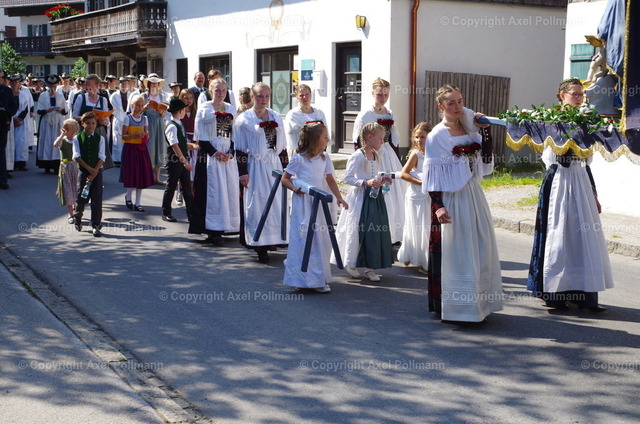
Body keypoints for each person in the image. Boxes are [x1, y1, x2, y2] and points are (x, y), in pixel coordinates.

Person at [527, 78, 614, 313]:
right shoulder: (550, 121)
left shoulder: (588, 122)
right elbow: (549, 157)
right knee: (559, 236)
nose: (579, 98)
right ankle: (555, 293)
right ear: (562, 96)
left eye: (581, 94)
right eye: (575, 94)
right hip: (559, 180)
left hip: (581, 181)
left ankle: (585, 295)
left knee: (583, 238)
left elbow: (587, 163)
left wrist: (594, 195)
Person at [421, 84, 502, 322]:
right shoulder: (437, 136)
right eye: (451, 103)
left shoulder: (469, 128)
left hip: (473, 194)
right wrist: (438, 206)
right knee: (457, 251)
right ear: (441, 107)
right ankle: (457, 307)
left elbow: (484, 157)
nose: (457, 107)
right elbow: (432, 176)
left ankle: (479, 304)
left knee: (479, 246)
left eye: (460, 101)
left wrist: (485, 131)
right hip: (452, 197)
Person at [281, 122, 348, 293]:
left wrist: (339, 197)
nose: (328, 140)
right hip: (304, 203)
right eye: (325, 137)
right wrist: (294, 188)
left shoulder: (325, 158)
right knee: (304, 238)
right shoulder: (299, 159)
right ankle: (301, 278)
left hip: (320, 203)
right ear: (315, 140)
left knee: (321, 239)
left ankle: (319, 278)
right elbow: (285, 178)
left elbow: (330, 180)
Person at [332, 122, 393, 282]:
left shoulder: (376, 154)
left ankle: (370, 267)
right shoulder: (358, 156)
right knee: (358, 230)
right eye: (380, 138)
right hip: (360, 198)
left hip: (374, 198)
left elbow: (374, 174)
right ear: (370, 137)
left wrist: (383, 179)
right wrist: (365, 182)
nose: (382, 142)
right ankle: (351, 262)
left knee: (374, 231)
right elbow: (347, 178)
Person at [234, 82, 288, 263]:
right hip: (255, 166)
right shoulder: (244, 119)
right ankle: (260, 245)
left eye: (266, 96)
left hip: (274, 165)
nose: (263, 100)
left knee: (276, 203)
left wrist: (287, 170)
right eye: (259, 96)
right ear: (252, 97)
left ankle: (274, 240)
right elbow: (240, 149)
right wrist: (243, 173)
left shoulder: (276, 116)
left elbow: (282, 148)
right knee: (258, 204)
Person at [352, 77, 406, 243]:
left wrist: (397, 157)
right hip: (373, 155)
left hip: (388, 154)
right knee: (378, 190)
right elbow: (358, 140)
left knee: (395, 192)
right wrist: (364, 159)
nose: (383, 98)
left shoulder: (389, 113)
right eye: (379, 94)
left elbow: (394, 137)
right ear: (373, 94)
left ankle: (395, 232)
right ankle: (377, 230)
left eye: (386, 94)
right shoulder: (366, 114)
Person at [189, 78, 239, 244]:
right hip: (209, 157)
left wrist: (230, 152)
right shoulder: (204, 109)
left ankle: (227, 226)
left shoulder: (230, 109)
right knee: (213, 193)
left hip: (227, 159)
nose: (220, 93)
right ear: (211, 91)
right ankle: (212, 230)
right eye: (217, 90)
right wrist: (215, 152)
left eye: (223, 90)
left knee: (227, 191)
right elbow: (201, 135)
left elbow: (234, 134)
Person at [398, 122, 432, 272]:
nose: (419, 140)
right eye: (417, 137)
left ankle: (422, 257)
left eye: (422, 137)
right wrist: (420, 182)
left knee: (426, 226)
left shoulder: (434, 153)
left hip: (428, 195)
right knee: (415, 224)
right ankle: (412, 254)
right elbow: (403, 174)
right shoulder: (416, 154)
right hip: (416, 194)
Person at [162, 98, 195, 222]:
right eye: (184, 110)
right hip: (174, 160)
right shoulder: (172, 126)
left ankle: (191, 214)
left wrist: (192, 146)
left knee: (187, 187)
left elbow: (181, 143)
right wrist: (184, 162)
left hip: (182, 159)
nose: (185, 111)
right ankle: (166, 212)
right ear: (180, 111)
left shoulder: (179, 124)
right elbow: (175, 146)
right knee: (171, 186)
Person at [72, 112, 106, 237]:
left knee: (97, 199)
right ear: (82, 124)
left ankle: (96, 225)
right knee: (81, 197)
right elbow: (77, 156)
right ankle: (78, 217)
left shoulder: (100, 138)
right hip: (84, 171)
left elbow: (102, 156)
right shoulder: (77, 138)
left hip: (97, 172)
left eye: (93, 123)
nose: (90, 125)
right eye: (88, 123)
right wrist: (89, 169)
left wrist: (95, 171)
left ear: (96, 124)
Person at [72, 74, 114, 169]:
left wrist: (104, 121)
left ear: (97, 86)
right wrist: (86, 118)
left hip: (98, 131)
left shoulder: (103, 100)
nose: (87, 87)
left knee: (98, 156)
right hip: (84, 131)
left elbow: (107, 120)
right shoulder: (81, 98)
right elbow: (74, 116)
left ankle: (96, 174)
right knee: (85, 156)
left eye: (90, 85)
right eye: (86, 85)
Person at [120, 95, 154, 212]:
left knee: (141, 175)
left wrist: (146, 135)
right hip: (130, 148)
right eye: (137, 105)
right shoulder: (127, 118)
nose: (139, 108)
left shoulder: (145, 118)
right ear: (132, 106)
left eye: (141, 105)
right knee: (131, 174)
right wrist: (135, 135)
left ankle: (138, 202)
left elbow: (147, 133)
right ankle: (128, 196)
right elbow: (123, 136)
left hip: (141, 149)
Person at [141, 73, 169, 184]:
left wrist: (161, 111)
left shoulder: (162, 97)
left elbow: (165, 114)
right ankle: (146, 176)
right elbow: (137, 111)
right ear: (148, 84)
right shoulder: (143, 96)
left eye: (156, 83)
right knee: (148, 150)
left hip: (159, 125)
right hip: (147, 124)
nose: (154, 85)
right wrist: (144, 107)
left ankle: (156, 177)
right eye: (152, 83)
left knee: (159, 149)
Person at [284, 84, 327, 155]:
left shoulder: (319, 113)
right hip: (300, 152)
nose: (305, 97)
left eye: (307, 94)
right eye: (301, 95)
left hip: (317, 152)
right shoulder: (293, 115)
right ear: (297, 97)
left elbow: (325, 132)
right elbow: (303, 132)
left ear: (311, 95)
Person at [36, 75, 67, 174]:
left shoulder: (60, 95)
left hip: (58, 122)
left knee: (58, 142)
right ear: (47, 85)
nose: (52, 88)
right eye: (50, 86)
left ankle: (56, 165)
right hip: (46, 122)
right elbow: (39, 110)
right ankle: (46, 165)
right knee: (46, 142)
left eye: (54, 86)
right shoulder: (43, 95)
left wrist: (60, 110)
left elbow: (65, 111)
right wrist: (47, 110)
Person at [53, 119, 80, 223]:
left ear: (74, 130)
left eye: (67, 128)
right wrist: (61, 135)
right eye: (64, 127)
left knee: (77, 189)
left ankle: (76, 208)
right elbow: (55, 144)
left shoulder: (77, 140)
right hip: (66, 168)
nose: (64, 130)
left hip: (76, 167)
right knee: (68, 191)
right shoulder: (63, 140)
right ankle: (70, 214)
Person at [9, 74, 34, 172]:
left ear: (20, 83)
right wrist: (12, 119)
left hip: (21, 122)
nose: (15, 84)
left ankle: (21, 163)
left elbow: (26, 108)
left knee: (21, 142)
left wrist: (19, 119)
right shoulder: (7, 93)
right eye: (13, 82)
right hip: (10, 120)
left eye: (17, 82)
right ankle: (11, 163)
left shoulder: (23, 94)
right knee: (11, 142)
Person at [177, 88, 198, 204]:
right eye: (186, 98)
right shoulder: (179, 112)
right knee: (183, 168)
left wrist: (197, 142)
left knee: (193, 169)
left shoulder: (196, 112)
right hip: (183, 141)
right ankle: (180, 190)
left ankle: (190, 193)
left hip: (194, 141)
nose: (189, 100)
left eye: (190, 98)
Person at [0, 71, 18, 190]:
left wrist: (6, 113)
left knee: (1, 152)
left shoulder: (6, 90)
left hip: (2, 124)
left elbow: (13, 106)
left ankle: (2, 180)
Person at [110, 77, 133, 164]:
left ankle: (127, 158)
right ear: (119, 85)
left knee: (128, 139)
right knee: (117, 139)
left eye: (125, 84)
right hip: (118, 119)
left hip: (127, 120)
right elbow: (114, 108)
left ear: (128, 85)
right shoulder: (114, 96)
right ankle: (117, 160)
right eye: (122, 84)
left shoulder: (131, 95)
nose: (124, 86)